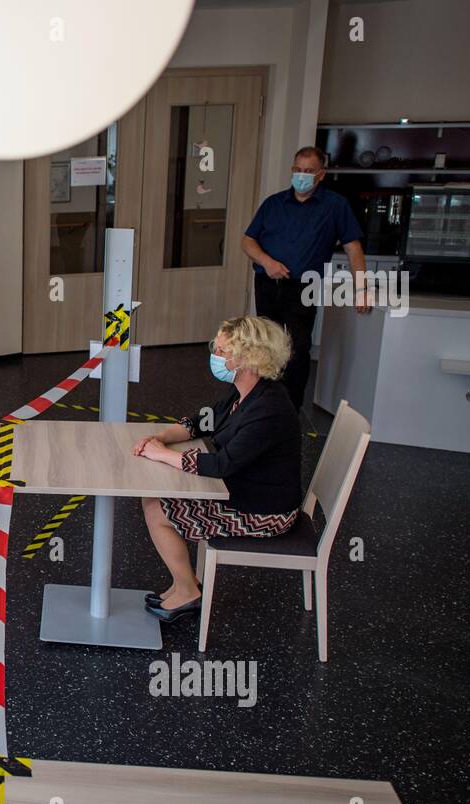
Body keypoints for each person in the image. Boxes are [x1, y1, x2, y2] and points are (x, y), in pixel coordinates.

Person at [134, 316, 302, 622]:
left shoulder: (269, 408)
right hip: (245, 492)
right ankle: (184, 583)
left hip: (267, 512)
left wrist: (162, 455)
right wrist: (160, 438)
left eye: (223, 351)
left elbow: (222, 464)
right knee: (154, 502)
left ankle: (188, 591)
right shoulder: (244, 393)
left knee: (156, 507)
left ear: (248, 358)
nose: (216, 356)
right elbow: (201, 422)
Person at [241, 145, 367, 413]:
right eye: (297, 170)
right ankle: (261, 404)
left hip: (304, 286)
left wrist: (361, 289)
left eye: (308, 171)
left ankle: (289, 409)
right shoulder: (273, 204)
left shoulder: (335, 206)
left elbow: (353, 247)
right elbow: (248, 240)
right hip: (267, 283)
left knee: (297, 348)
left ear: (321, 175)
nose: (302, 176)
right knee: (265, 345)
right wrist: (267, 262)